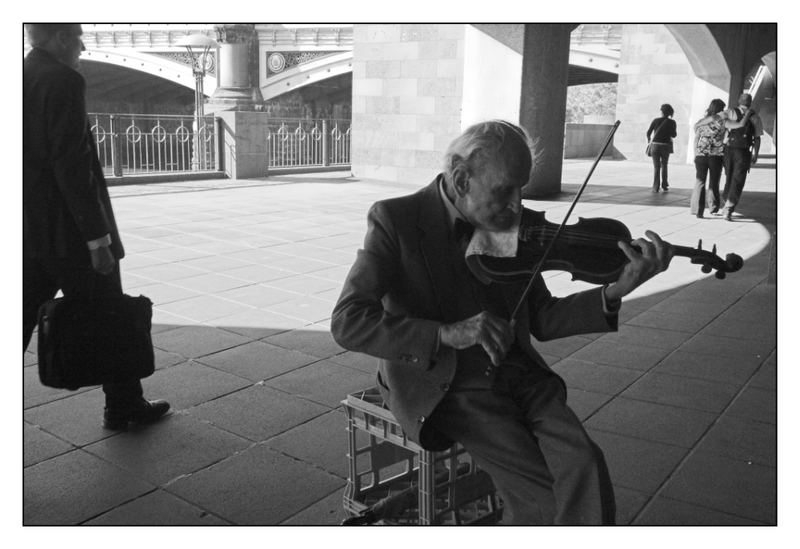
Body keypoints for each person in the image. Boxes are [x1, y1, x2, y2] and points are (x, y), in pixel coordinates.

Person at [331, 120, 673, 525]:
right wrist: (445, 333)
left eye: (521, 190)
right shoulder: (396, 220)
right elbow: (348, 321)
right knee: (540, 497)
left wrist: (616, 291)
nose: (516, 206)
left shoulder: (516, 225)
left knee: (585, 463)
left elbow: (542, 317)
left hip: (518, 373)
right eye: (504, 190)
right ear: (461, 179)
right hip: (449, 383)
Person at [23, 24, 170, 429]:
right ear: (59, 39)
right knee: (110, 313)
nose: (84, 45)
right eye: (78, 36)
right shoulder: (63, 80)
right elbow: (71, 164)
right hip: (70, 234)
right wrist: (97, 239)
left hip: (27, 231)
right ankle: (123, 406)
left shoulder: (18, 75)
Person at [691, 98, 756, 218]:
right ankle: (713, 207)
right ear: (721, 110)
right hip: (716, 157)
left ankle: (698, 211)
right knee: (714, 181)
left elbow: (696, 139)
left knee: (700, 181)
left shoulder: (702, 121)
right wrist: (747, 114)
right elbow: (741, 124)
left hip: (700, 155)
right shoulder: (723, 122)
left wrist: (696, 154)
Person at [718, 93, 763, 221]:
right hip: (743, 152)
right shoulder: (755, 117)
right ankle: (728, 208)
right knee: (738, 180)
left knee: (729, 177)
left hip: (729, 150)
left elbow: (720, 125)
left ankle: (726, 202)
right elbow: (757, 138)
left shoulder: (731, 112)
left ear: (739, 101)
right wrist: (756, 154)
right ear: (750, 103)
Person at [645, 104, 677, 193]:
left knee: (656, 166)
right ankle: (664, 185)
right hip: (666, 146)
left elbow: (648, 132)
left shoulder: (656, 120)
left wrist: (649, 141)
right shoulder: (672, 122)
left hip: (655, 146)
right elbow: (674, 135)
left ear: (662, 111)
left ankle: (655, 187)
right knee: (664, 165)